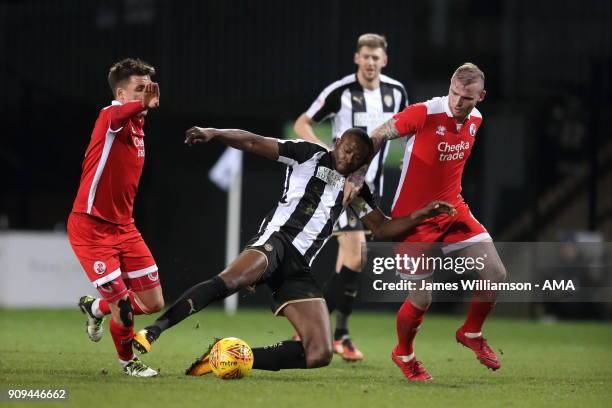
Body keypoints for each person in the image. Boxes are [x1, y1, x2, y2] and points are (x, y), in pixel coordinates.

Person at [132, 126, 455, 375]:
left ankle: (225, 355)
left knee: (319, 353)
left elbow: (383, 228)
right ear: (338, 141)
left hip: (299, 267)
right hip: (276, 241)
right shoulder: (309, 154)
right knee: (232, 280)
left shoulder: (357, 190)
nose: (349, 158)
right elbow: (254, 142)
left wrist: (423, 214)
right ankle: (153, 330)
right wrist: (214, 133)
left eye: (357, 157)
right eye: (347, 149)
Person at [359, 62, 508, 381]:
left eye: (466, 98)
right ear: (449, 88)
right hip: (413, 220)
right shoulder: (424, 112)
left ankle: (471, 332)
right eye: (454, 93)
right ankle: (404, 353)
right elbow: (378, 135)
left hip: (453, 211)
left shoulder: (476, 120)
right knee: (422, 297)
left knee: (495, 274)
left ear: (480, 96)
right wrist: (357, 175)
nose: (457, 102)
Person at [293, 33, 408, 360]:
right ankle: (313, 328)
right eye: (366, 57)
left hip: (370, 189)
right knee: (355, 254)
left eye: (377, 58)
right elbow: (302, 124)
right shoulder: (340, 92)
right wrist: (330, 157)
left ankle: (339, 334)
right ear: (357, 58)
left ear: (384, 61)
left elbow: (401, 133)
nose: (371, 63)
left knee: (352, 261)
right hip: (338, 181)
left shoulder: (397, 93)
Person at [67, 58, 164, 377]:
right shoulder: (111, 115)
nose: (148, 93)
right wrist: (141, 104)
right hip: (91, 229)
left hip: (125, 228)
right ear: (120, 94)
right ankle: (127, 362)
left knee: (153, 303)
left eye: (150, 87)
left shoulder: (136, 122)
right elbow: (120, 115)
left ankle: (95, 308)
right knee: (123, 304)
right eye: (140, 88)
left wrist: (142, 104)